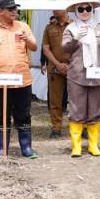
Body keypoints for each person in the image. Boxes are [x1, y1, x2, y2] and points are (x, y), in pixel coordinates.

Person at [0, 0, 39, 158]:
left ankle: (26, 148)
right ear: (0, 11)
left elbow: (34, 47)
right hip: (0, 81)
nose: (15, 11)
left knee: (23, 114)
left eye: (15, 8)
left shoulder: (23, 26)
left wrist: (27, 38)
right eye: (10, 9)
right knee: (2, 115)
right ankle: (2, 148)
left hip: (22, 80)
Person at [60, 0, 100, 157]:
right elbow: (65, 48)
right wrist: (76, 38)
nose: (85, 12)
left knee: (95, 110)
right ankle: (76, 146)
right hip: (77, 74)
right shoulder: (71, 28)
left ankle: (93, 145)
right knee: (77, 110)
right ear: (76, 11)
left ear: (92, 10)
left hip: (96, 74)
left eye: (88, 8)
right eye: (81, 9)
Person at [41, 9, 69, 138]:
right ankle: (56, 128)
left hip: (74, 68)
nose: (54, 9)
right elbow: (46, 49)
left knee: (78, 100)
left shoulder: (75, 25)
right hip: (55, 69)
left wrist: (71, 65)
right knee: (55, 101)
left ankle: (82, 126)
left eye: (58, 7)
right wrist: (58, 64)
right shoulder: (49, 27)